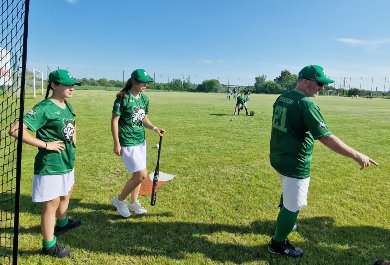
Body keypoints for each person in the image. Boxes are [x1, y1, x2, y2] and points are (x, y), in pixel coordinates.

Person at [268, 65, 378, 257]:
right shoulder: (306, 104)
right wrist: (356, 154)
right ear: (305, 81)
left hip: (279, 157)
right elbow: (326, 138)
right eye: (319, 83)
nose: (322, 87)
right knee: (294, 205)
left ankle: (285, 221)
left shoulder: (282, 97)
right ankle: (278, 244)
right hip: (295, 162)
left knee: (287, 189)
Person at [9, 69, 82, 258]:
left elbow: (73, 121)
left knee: (67, 192)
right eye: (66, 84)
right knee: (52, 203)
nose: (71, 88)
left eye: (72, 85)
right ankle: (48, 245)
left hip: (67, 161)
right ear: (54, 85)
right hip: (50, 165)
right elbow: (16, 130)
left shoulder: (67, 105)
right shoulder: (44, 107)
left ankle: (63, 223)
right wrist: (46, 144)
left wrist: (73, 136)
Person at [111, 69, 165, 218]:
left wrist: (154, 128)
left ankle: (133, 202)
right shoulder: (123, 98)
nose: (146, 85)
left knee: (140, 173)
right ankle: (119, 200)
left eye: (147, 83)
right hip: (127, 141)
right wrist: (117, 143)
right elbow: (114, 120)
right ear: (134, 81)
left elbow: (143, 118)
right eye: (143, 82)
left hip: (141, 140)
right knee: (141, 175)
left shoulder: (144, 99)